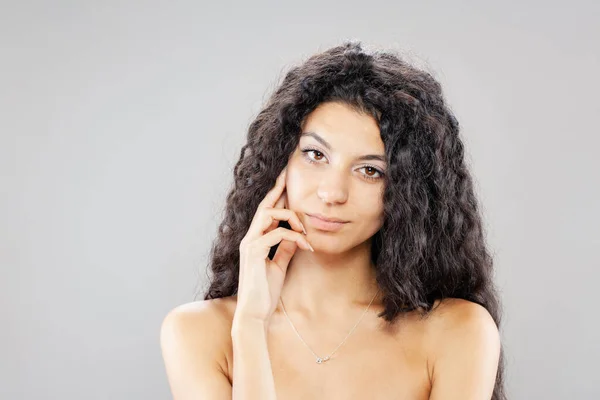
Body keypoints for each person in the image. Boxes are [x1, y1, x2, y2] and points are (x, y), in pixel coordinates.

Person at [160, 41, 506, 400]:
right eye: (315, 154)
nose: (332, 193)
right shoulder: (197, 332)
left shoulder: (458, 331)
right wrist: (250, 326)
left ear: (408, 193)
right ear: (281, 161)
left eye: (370, 170)